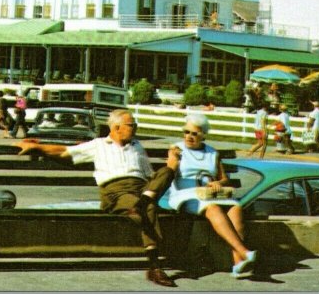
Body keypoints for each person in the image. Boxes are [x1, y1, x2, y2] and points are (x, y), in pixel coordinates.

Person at [15, 109, 181, 287]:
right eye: (132, 125)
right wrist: (37, 147)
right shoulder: (99, 144)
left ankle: (143, 203)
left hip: (142, 189)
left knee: (166, 171)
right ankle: (154, 266)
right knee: (148, 208)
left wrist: (171, 165)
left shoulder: (137, 146)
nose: (135, 128)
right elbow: (65, 152)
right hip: (116, 191)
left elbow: (151, 175)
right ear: (117, 127)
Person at [160, 114, 257, 278]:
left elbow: (224, 178)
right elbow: (168, 173)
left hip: (210, 193)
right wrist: (173, 160)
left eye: (194, 133)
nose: (189, 136)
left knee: (235, 208)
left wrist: (218, 183)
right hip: (185, 194)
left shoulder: (212, 152)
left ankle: (239, 263)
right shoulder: (176, 149)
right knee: (212, 208)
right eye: (186, 132)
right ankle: (244, 251)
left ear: (203, 134)